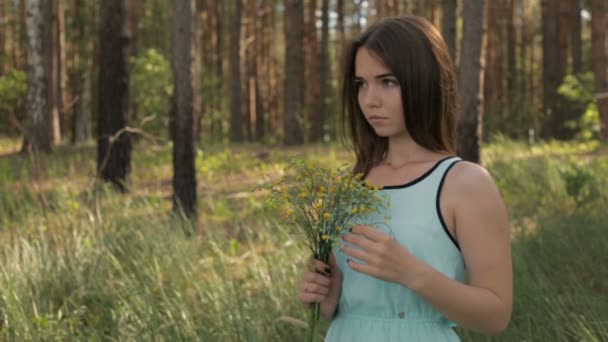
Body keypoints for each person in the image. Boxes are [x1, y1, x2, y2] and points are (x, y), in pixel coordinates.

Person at [297, 15, 512, 341]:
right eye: (361, 84)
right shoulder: (348, 185)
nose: (370, 99)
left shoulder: (464, 183)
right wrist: (325, 298)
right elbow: (340, 305)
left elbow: (496, 314)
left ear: (423, 82)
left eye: (388, 81)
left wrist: (411, 273)